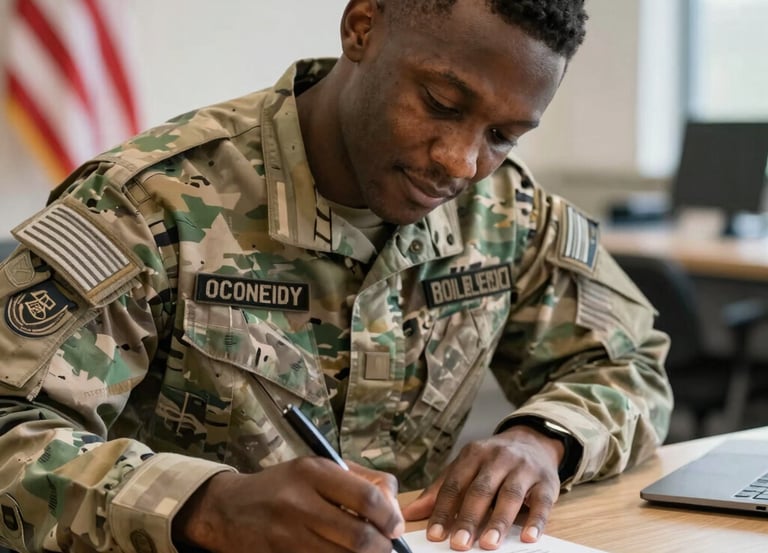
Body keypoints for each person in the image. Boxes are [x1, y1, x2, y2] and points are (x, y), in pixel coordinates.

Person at [0, 1, 673, 552]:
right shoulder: (150, 204)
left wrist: (544, 438)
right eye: (441, 103)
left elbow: (630, 362)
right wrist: (208, 506)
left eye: (502, 136)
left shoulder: (504, 212)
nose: (462, 161)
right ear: (361, 27)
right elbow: (11, 429)